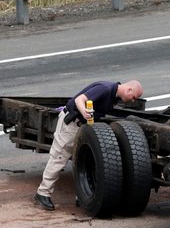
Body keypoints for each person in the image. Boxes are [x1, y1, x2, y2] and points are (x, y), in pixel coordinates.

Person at [35, 79, 144, 211]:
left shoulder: (113, 95)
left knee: (83, 159)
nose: (132, 101)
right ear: (129, 90)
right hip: (71, 124)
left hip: (84, 126)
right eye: (133, 97)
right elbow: (79, 100)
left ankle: (81, 196)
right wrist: (85, 112)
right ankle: (43, 193)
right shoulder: (105, 89)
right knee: (59, 157)